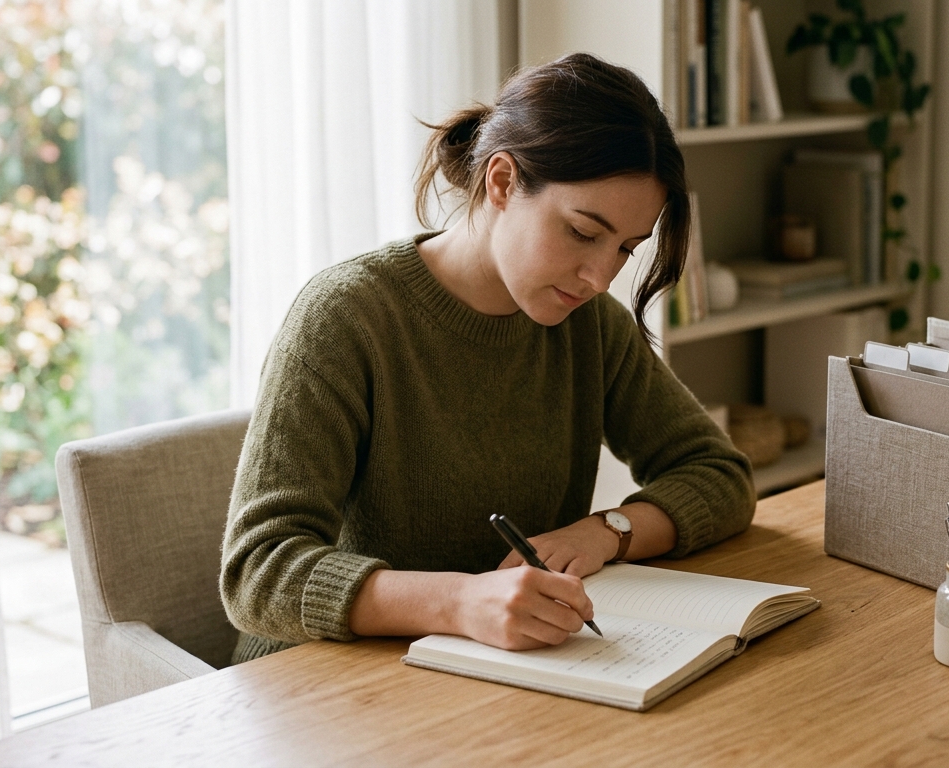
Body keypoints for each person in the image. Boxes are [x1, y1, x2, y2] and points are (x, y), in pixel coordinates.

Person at [219, 52, 754, 663]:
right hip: (323, 677)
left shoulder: (589, 324)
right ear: (501, 181)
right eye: (582, 232)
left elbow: (720, 475)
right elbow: (257, 572)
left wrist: (606, 532)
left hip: (507, 669)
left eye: (625, 250)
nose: (599, 277)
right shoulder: (347, 317)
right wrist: (459, 603)